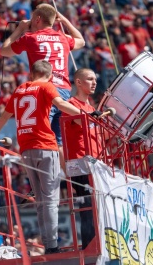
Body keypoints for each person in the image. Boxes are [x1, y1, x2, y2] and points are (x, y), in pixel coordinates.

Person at [0, 60, 87, 254]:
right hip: (46, 146)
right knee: (50, 198)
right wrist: (85, 115)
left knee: (41, 199)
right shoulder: (47, 86)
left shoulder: (19, 89)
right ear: (50, 76)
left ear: (31, 74)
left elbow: (4, 117)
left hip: (26, 149)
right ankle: (52, 246)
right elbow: (62, 105)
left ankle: (49, 243)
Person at [0, 3, 85, 167]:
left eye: (32, 19)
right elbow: (81, 41)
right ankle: (72, 182)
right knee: (58, 142)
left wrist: (19, 29)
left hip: (44, 90)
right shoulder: (62, 38)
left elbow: (4, 51)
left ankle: (40, 180)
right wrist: (65, 21)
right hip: (64, 92)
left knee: (40, 137)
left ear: (38, 19)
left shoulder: (30, 38)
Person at [62, 68, 102, 249]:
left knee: (98, 207)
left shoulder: (91, 108)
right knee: (88, 209)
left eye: (95, 79)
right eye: (89, 79)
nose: (94, 83)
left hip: (95, 163)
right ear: (78, 82)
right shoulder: (70, 104)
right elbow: (82, 121)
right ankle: (90, 247)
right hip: (80, 163)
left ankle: (97, 244)